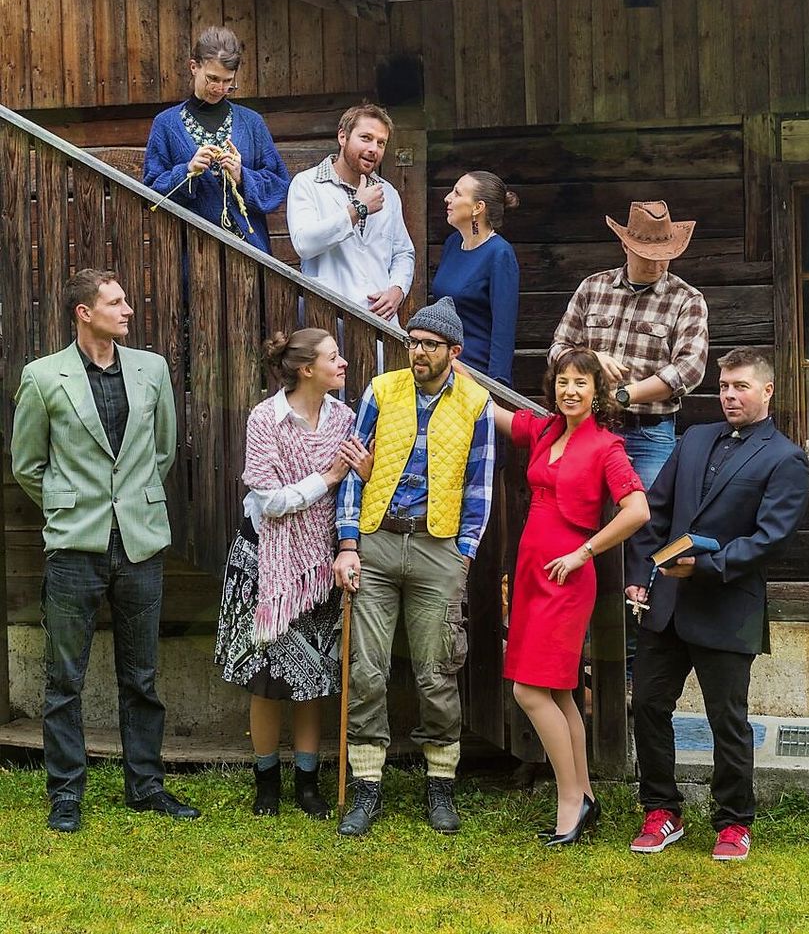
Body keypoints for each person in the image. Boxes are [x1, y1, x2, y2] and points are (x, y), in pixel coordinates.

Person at [11, 269, 198, 833]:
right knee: (64, 679)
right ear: (84, 313)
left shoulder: (152, 370)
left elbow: (163, 450)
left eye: (125, 301)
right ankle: (66, 793)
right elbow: (28, 464)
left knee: (141, 676)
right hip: (75, 544)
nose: (127, 310)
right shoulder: (43, 377)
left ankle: (146, 787)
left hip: (140, 541)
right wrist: (69, 505)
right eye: (115, 303)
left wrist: (131, 501)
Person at [625, 348, 809, 862]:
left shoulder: (785, 458)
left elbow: (770, 538)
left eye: (740, 386)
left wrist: (704, 567)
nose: (729, 395)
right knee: (649, 706)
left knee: (727, 721)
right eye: (724, 386)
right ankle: (661, 811)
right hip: (666, 605)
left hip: (728, 607)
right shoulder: (693, 438)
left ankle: (733, 822)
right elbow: (655, 511)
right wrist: (639, 575)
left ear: (767, 391)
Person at [333, 297, 494, 836]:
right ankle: (366, 786)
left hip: (438, 546)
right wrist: (348, 543)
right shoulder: (381, 391)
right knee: (366, 669)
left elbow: (480, 484)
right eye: (413, 342)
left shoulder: (476, 402)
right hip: (377, 542)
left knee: (436, 670)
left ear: (454, 351)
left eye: (429, 344)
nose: (418, 352)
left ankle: (440, 785)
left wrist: (464, 554)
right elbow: (353, 467)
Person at [491, 348, 648, 845]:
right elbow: (490, 410)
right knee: (558, 691)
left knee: (528, 691)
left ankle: (569, 800)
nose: (570, 390)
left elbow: (637, 511)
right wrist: (448, 365)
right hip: (531, 572)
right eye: (563, 381)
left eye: (581, 382)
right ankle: (586, 795)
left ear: (598, 392)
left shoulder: (607, 446)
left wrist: (584, 552)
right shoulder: (544, 430)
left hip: (566, 578)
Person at [214, 329, 372, 819]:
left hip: (320, 567)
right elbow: (269, 499)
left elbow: (357, 489)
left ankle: (307, 783)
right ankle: (266, 783)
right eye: (333, 357)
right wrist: (327, 477)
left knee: (313, 678)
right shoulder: (266, 419)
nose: (343, 363)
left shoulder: (345, 419)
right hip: (266, 566)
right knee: (265, 681)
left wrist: (363, 473)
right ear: (307, 369)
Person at [550, 200, 709, 671]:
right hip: (591, 429)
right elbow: (558, 348)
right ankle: (580, 647)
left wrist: (625, 393)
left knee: (646, 531)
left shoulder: (686, 299)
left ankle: (639, 659)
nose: (657, 261)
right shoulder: (592, 287)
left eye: (665, 254)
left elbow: (689, 369)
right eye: (647, 252)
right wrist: (590, 361)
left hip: (650, 430)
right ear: (625, 245)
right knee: (581, 522)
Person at [144, 26, 289, 255]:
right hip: (194, 253)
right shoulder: (166, 124)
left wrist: (242, 176)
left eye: (227, 81)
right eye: (212, 78)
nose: (219, 88)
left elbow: (278, 183)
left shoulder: (252, 122)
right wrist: (187, 171)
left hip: (250, 253)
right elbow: (151, 190)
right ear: (194, 67)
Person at [286, 103, 415, 322]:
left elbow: (403, 253)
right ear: (343, 137)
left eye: (381, 143)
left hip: (380, 321)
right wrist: (357, 209)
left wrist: (397, 289)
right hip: (327, 318)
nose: (374, 148)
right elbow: (304, 244)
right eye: (366, 138)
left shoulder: (388, 193)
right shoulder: (307, 183)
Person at [431, 171, 520, 385]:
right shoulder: (453, 243)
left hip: (475, 373)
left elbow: (503, 328)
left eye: (457, 193)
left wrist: (497, 385)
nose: (447, 198)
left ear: (478, 207)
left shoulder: (500, 253)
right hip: (442, 365)